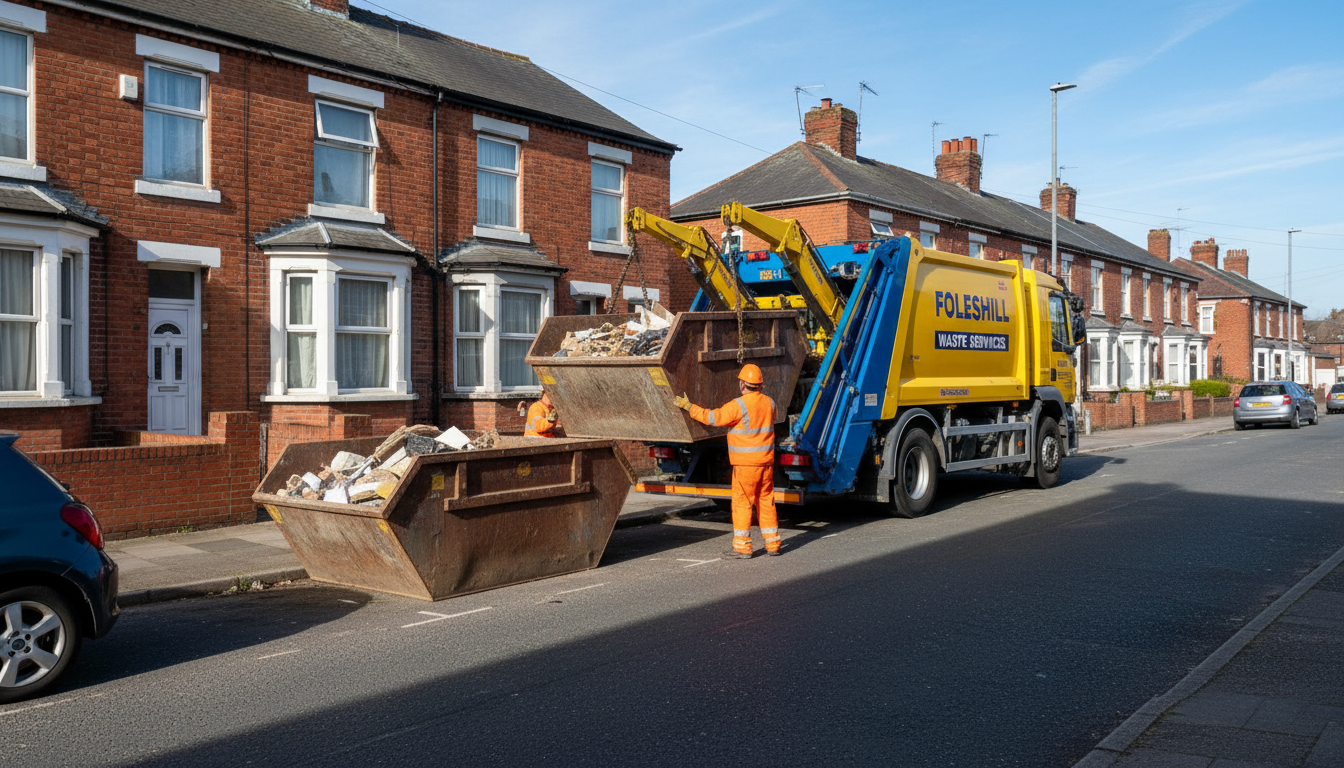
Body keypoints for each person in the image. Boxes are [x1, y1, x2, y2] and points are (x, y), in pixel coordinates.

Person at [675, 364, 781, 558]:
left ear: (742, 384)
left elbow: (713, 418)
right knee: (766, 502)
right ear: (761, 385)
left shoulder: (738, 405)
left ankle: (743, 548)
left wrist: (689, 407)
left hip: (745, 465)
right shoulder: (770, 403)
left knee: (742, 503)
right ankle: (773, 545)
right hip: (765, 464)